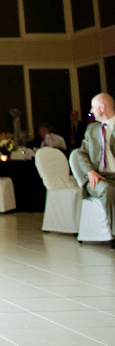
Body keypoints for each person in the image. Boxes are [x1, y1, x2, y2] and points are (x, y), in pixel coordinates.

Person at [73, 93, 115, 239]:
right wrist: (90, 171)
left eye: (93, 107)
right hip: (99, 178)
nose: (91, 111)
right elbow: (81, 153)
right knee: (107, 190)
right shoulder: (91, 130)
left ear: (102, 107)